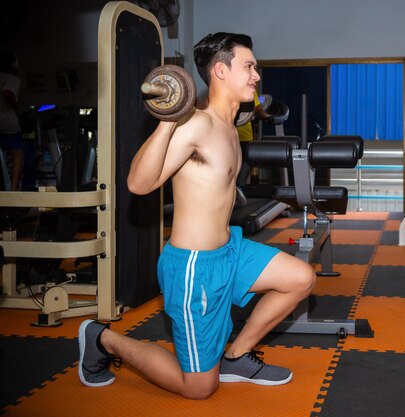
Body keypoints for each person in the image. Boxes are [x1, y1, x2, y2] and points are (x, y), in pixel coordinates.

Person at [77, 32, 316, 400]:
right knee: (200, 388)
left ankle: (235, 356)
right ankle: (102, 339)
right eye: (248, 66)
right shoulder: (197, 124)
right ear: (220, 70)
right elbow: (140, 184)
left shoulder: (231, 127)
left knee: (300, 277)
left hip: (230, 252)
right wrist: (170, 117)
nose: (256, 75)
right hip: (194, 268)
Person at [0, 52, 24, 191]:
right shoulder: (14, 79)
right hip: (8, 122)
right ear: (14, 65)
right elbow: (7, 93)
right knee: (17, 154)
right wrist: (18, 109)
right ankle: (13, 190)